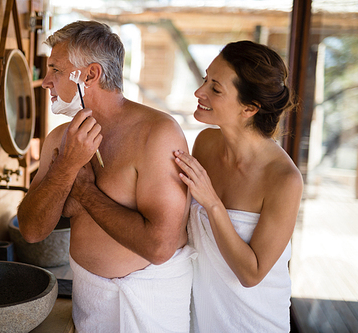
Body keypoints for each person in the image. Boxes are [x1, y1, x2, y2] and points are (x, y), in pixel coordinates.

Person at [17, 20, 196, 333]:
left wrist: (85, 192)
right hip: (88, 301)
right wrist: (66, 166)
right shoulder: (60, 139)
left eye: (56, 70)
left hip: (150, 307)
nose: (46, 82)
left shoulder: (157, 134)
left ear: (90, 74)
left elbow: (159, 247)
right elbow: (31, 231)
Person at [173, 40, 303, 332]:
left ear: (250, 108)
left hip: (253, 322)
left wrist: (212, 202)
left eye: (215, 88)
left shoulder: (283, 179)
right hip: (199, 317)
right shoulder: (204, 143)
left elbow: (251, 274)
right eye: (206, 78)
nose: (199, 91)